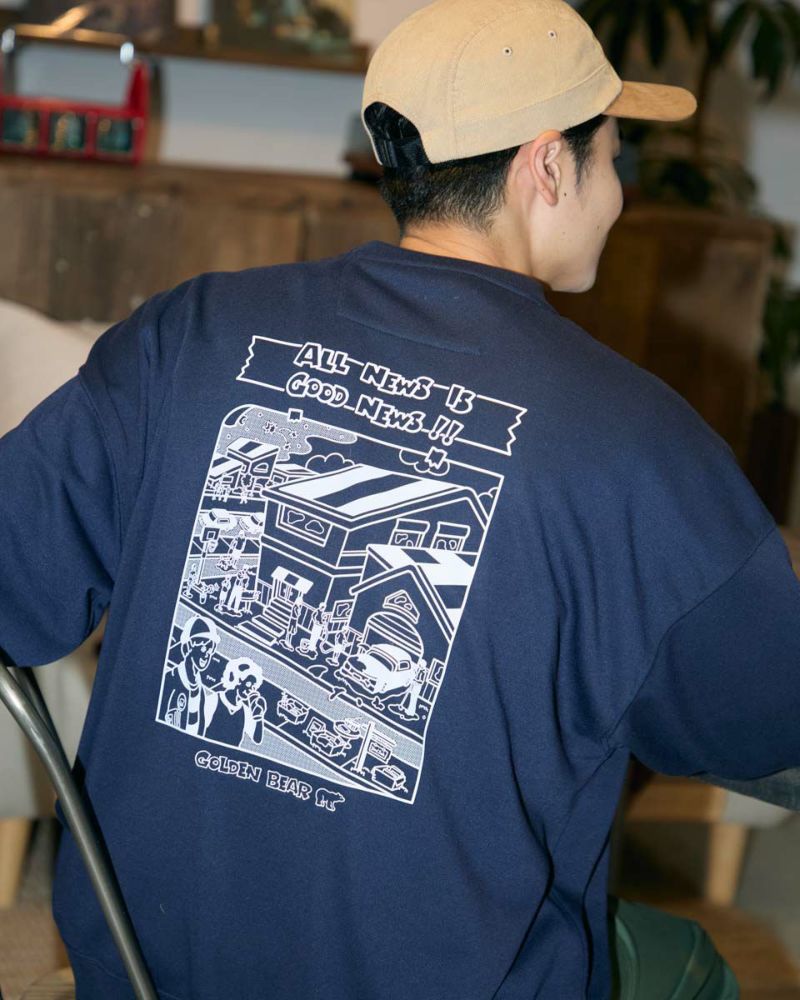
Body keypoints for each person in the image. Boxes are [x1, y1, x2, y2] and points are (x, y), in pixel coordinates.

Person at [0, 1, 798, 998]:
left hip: (145, 971)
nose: (619, 194)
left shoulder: (190, 335)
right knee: (696, 971)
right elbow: (765, 718)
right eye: (611, 157)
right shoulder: (639, 446)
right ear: (546, 167)